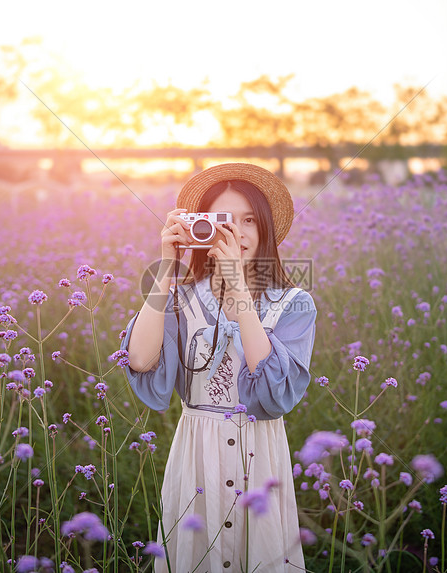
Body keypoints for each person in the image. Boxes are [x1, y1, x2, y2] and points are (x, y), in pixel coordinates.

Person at [120, 163, 317, 572]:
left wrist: (237, 286)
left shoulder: (294, 303)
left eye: (247, 220)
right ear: (200, 228)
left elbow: (275, 393)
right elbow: (139, 360)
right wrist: (166, 269)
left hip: (257, 455)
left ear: (264, 227)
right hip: (196, 455)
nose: (237, 233)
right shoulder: (181, 297)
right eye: (223, 221)